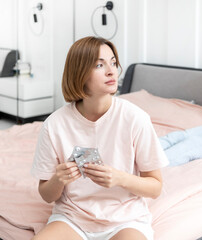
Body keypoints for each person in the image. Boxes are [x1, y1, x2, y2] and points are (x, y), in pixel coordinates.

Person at [31, 36, 168, 240]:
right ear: (79, 72)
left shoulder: (135, 118)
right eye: (99, 65)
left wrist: (119, 178)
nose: (112, 71)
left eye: (113, 62)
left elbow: (155, 188)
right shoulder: (55, 124)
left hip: (126, 220)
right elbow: (47, 195)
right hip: (72, 218)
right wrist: (58, 180)